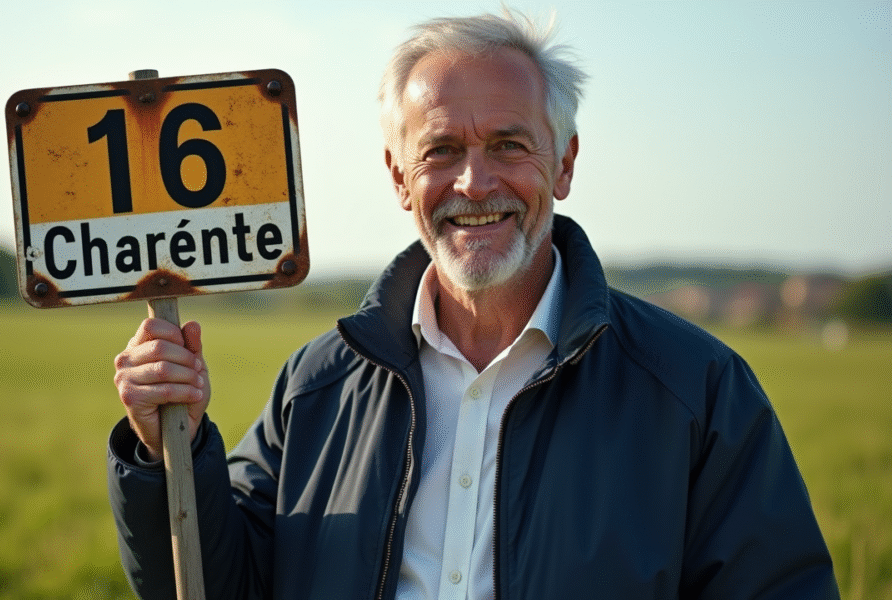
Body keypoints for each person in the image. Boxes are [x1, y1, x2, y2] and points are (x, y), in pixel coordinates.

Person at [109, 10, 840, 599]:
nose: (473, 183)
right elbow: (219, 587)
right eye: (441, 151)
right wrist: (162, 449)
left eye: (509, 144)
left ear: (565, 163)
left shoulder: (697, 391)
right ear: (399, 178)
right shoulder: (318, 388)